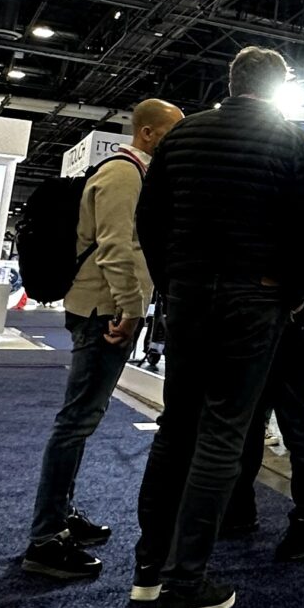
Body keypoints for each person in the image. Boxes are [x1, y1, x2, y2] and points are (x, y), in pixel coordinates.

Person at [132, 46, 304, 608]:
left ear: (231, 80)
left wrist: (173, 283)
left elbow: (149, 220)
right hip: (253, 299)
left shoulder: (183, 136)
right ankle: (184, 587)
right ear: (278, 86)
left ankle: (148, 572)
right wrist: (286, 297)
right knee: (223, 431)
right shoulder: (293, 142)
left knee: (177, 427)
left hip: (190, 297)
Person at [22, 98, 183, 582]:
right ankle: (45, 538)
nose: (178, 140)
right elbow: (115, 247)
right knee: (76, 421)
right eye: (172, 131)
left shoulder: (135, 173)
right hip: (103, 311)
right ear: (148, 133)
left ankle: (61, 514)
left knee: (83, 417)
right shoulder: (123, 174)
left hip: (102, 308)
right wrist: (131, 309)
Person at [226, 194, 304, 561]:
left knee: (296, 426)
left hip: (293, 328)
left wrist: (299, 297)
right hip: (257, 325)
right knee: (251, 423)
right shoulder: (276, 190)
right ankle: (240, 507)